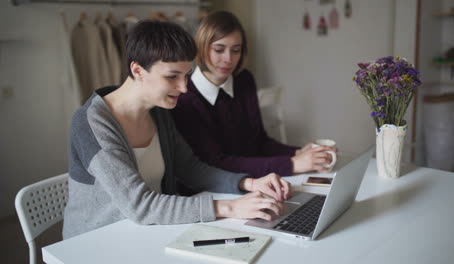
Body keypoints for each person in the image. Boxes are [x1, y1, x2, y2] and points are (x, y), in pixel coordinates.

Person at [63, 20, 291, 239]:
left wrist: (249, 183)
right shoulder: (92, 123)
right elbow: (140, 205)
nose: (183, 88)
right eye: (172, 77)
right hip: (96, 242)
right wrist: (230, 207)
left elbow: (191, 168)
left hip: (146, 231)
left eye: (186, 76)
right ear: (138, 70)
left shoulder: (158, 111)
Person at [171, 11, 336, 179]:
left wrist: (300, 152)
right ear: (201, 47)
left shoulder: (244, 80)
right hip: (217, 190)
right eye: (219, 50)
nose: (228, 59)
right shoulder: (185, 97)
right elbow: (215, 162)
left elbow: (260, 143)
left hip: (256, 179)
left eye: (236, 50)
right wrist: (293, 163)